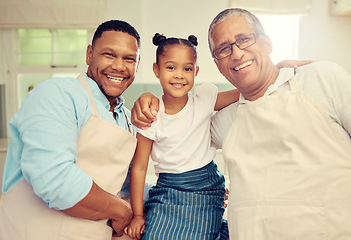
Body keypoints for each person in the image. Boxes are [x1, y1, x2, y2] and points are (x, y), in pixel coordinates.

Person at [131, 7, 351, 240]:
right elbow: (182, 133)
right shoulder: (224, 119)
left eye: (244, 40)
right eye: (224, 49)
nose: (236, 53)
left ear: (267, 43)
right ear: (217, 65)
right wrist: (147, 101)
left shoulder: (320, 78)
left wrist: (277, 70)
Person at [0, 19, 144, 240]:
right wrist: (121, 210)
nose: (118, 66)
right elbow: (55, 179)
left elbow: (127, 185)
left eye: (129, 59)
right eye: (109, 54)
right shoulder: (58, 94)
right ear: (89, 54)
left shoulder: (127, 120)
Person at [124, 33, 239, 240]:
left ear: (196, 72)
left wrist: (277, 70)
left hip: (205, 189)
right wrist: (138, 215)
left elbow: (244, 92)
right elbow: (140, 167)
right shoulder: (151, 114)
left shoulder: (204, 101)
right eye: (170, 67)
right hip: (168, 191)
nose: (179, 75)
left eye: (187, 69)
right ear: (156, 70)